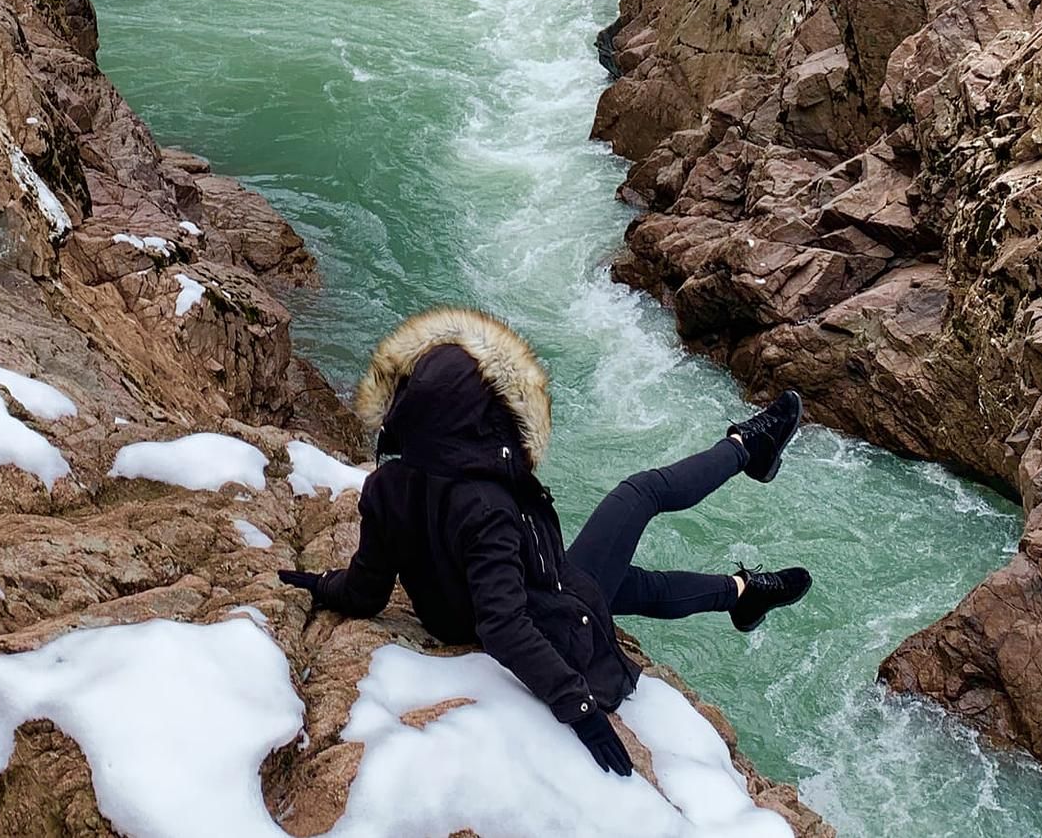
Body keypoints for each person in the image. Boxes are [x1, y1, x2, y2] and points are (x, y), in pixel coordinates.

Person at [277, 307, 811, 776]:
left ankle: (742, 593)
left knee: (619, 583)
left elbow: (367, 589)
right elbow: (503, 625)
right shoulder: (485, 505)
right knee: (641, 494)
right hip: (539, 611)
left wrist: (324, 586)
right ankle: (749, 446)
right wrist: (578, 708)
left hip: (486, 598)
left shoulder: (387, 485)